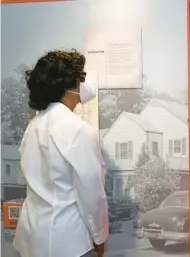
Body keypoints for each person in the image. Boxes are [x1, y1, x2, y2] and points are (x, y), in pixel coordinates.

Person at [13, 49, 109, 257]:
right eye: (79, 78)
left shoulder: (33, 126)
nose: (83, 83)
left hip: (29, 238)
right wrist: (100, 238)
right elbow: (92, 195)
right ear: (68, 85)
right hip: (67, 243)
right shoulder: (79, 130)